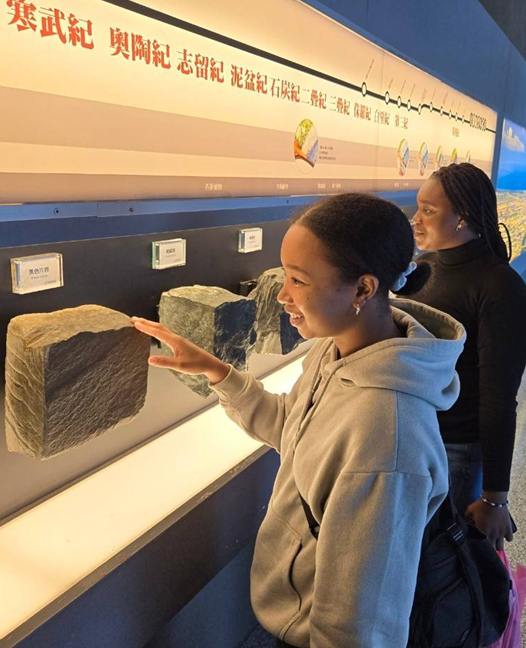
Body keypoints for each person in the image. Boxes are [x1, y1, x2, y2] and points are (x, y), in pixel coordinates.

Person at [132, 194, 465, 648]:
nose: (282, 295)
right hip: (290, 616)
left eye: (298, 280)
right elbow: (294, 428)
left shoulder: (386, 438)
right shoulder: (338, 352)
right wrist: (218, 372)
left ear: (363, 290)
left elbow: (361, 625)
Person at [400, 162, 526, 552]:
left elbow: (499, 397)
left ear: (463, 218)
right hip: (410, 436)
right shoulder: (423, 268)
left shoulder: (499, 286)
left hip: (456, 449)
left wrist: (495, 497)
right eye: (417, 207)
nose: (415, 220)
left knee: (450, 566)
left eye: (428, 210)